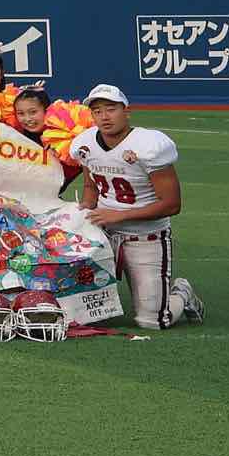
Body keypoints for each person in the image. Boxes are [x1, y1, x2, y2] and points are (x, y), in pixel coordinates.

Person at [67, 82, 188, 329]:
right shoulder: (85, 143)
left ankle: (182, 295)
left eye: (110, 109)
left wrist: (118, 215)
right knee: (85, 315)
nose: (104, 116)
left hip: (146, 236)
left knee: (152, 321)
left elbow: (172, 204)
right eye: (97, 111)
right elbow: (91, 187)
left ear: (126, 110)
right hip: (102, 234)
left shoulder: (149, 145)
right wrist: (84, 211)